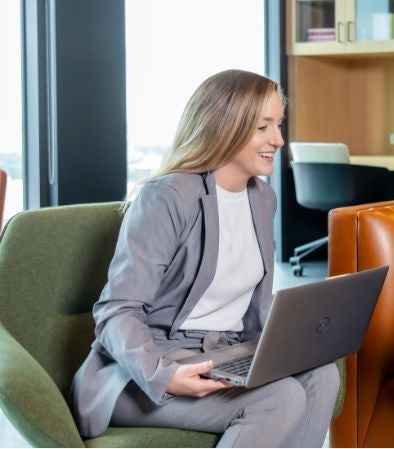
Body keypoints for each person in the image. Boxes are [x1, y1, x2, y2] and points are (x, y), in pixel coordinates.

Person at [69, 69, 339, 447]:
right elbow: (117, 310)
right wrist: (164, 374)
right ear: (225, 126)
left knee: (322, 373)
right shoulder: (167, 197)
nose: (278, 139)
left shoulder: (262, 198)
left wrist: (290, 339)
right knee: (279, 399)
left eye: (278, 124)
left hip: (225, 353)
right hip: (145, 369)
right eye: (263, 127)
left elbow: (251, 308)